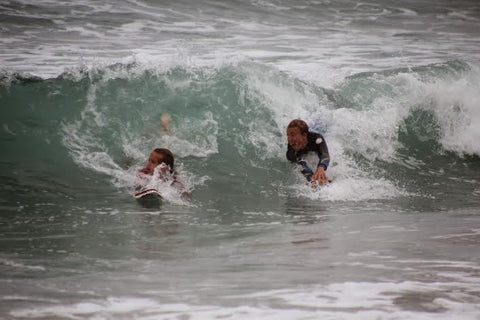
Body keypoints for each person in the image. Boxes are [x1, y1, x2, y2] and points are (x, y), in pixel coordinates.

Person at [286, 119, 331, 185]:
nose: (289, 139)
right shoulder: (291, 152)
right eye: (288, 135)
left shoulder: (316, 138)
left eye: (292, 135)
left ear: (304, 135)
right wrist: (311, 178)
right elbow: (302, 166)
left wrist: (321, 167)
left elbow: (325, 154)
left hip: (320, 130)